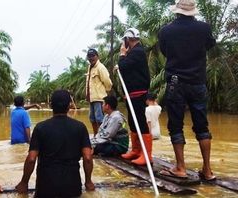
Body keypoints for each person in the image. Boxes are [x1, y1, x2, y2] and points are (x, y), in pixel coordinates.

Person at [158, 0, 216, 180]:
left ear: (177, 10)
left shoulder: (166, 31)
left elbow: (166, 52)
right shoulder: (204, 28)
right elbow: (209, 45)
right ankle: (207, 170)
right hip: (198, 82)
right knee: (202, 126)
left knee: (176, 125)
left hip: (176, 82)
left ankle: (180, 168)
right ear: (193, 11)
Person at [15, 90, 95, 197]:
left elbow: (31, 159)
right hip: (72, 186)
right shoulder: (80, 127)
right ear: (69, 106)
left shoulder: (40, 128)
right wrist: (88, 182)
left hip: (46, 187)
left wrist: (24, 183)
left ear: (51, 106)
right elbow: (88, 157)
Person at [115, 27, 151, 166]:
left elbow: (123, 66)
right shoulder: (134, 52)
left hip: (138, 93)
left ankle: (146, 155)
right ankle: (136, 150)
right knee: (132, 121)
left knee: (140, 122)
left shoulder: (137, 52)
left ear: (128, 40)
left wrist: (122, 54)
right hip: (131, 93)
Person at [86, 48, 113, 136]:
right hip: (91, 99)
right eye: (89, 56)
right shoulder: (90, 67)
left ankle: (102, 137)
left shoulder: (100, 67)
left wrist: (106, 92)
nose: (91, 58)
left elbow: (108, 82)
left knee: (99, 119)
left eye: (93, 56)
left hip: (99, 98)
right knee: (92, 119)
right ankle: (95, 136)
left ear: (97, 56)